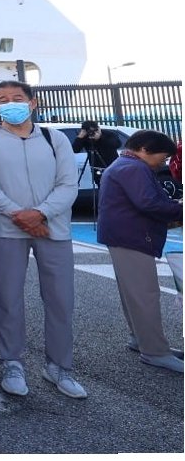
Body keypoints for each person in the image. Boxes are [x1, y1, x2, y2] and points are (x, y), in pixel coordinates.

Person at [0, 80, 84, 399]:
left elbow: (68, 184)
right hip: (8, 228)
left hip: (52, 228)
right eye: (3, 99)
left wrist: (40, 214)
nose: (10, 103)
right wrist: (19, 215)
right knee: (7, 297)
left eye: (17, 98)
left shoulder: (54, 138)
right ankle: (12, 363)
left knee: (61, 299)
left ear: (32, 103)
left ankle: (59, 367)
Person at [96, 129, 184, 372]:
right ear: (144, 150)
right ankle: (155, 351)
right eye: (162, 157)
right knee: (145, 295)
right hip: (133, 236)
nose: (163, 163)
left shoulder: (124, 164)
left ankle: (141, 339)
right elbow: (149, 203)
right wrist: (180, 208)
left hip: (123, 235)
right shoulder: (134, 168)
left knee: (133, 294)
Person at [73, 120, 122, 187]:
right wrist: (80, 137)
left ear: (98, 128)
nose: (92, 133)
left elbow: (117, 144)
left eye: (94, 130)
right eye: (89, 131)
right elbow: (75, 150)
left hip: (112, 165)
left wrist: (100, 138)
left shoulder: (108, 134)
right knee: (101, 186)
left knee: (115, 186)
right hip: (96, 167)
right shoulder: (85, 138)